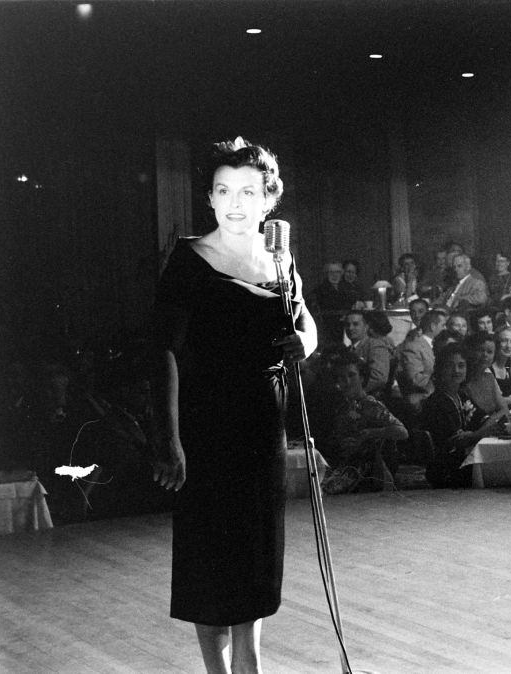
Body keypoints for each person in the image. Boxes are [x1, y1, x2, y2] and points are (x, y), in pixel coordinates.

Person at [151, 137, 317, 672]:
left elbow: (305, 321)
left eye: (248, 191)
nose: (235, 202)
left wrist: (306, 343)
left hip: (263, 427)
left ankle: (250, 662)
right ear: (210, 198)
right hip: (206, 426)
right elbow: (164, 354)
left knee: (254, 554)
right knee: (210, 558)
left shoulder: (279, 258)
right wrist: (170, 439)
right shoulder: (189, 258)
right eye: (224, 190)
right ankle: (219, 671)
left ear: (269, 198)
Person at [315, 352, 408, 495]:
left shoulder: (370, 404)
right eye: (341, 377)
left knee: (323, 491)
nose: (347, 381)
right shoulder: (340, 406)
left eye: (352, 375)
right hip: (341, 467)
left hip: (367, 471)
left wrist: (371, 433)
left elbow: (402, 432)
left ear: (362, 377)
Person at [422, 343, 505, 488]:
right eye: (450, 366)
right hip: (450, 470)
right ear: (440, 369)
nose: (456, 370)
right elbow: (456, 442)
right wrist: (478, 434)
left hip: (467, 459)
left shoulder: (461, 395)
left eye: (461, 366)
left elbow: (484, 420)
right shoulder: (436, 402)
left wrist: (475, 434)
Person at [398, 309, 447, 414]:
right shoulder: (413, 347)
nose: (445, 329)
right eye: (443, 325)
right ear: (433, 326)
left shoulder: (441, 345)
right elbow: (415, 379)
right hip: (424, 402)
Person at [343, 309, 393, 398]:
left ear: (366, 327)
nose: (350, 328)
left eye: (355, 324)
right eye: (347, 325)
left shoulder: (374, 345)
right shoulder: (347, 350)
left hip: (368, 399)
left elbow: (379, 377)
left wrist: (357, 392)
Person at [312, 260, 360, 345]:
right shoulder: (320, 290)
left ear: (341, 273)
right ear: (326, 274)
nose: (335, 275)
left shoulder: (346, 287)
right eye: (331, 272)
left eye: (337, 272)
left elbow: (353, 301)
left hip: (347, 324)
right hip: (330, 327)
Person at [462, 332, 507, 415]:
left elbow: (504, 409)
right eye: (480, 350)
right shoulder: (462, 380)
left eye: (489, 352)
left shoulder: (489, 377)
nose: (485, 355)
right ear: (471, 351)